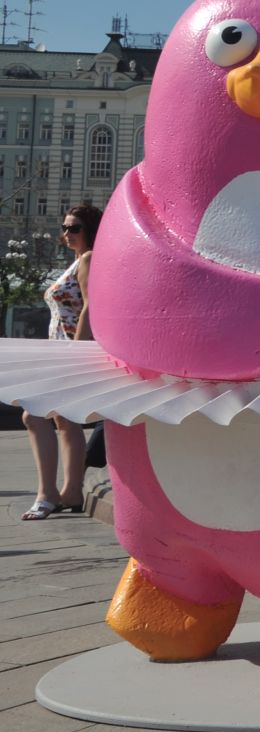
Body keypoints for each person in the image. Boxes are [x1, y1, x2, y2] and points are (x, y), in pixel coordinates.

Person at [24, 204, 101, 520]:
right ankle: (70, 492)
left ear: (91, 230)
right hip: (61, 349)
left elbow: (90, 307)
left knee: (33, 416)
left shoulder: (88, 259)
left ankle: (46, 495)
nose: (67, 233)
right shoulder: (75, 262)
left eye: (75, 228)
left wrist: (76, 352)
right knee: (64, 421)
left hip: (71, 351)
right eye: (65, 228)